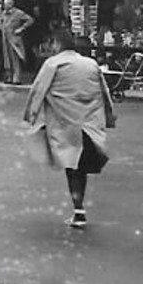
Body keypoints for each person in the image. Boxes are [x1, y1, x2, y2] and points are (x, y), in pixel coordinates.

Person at [24, 30, 116, 228]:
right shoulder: (90, 64)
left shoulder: (53, 64)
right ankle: (79, 210)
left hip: (65, 123)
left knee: (71, 166)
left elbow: (38, 90)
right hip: (89, 122)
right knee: (80, 166)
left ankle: (78, 209)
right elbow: (104, 92)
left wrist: (31, 115)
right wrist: (109, 117)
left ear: (57, 44)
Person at [0, 0, 37, 85]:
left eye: (6, 4)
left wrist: (21, 29)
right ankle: (9, 76)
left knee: (15, 58)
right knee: (7, 59)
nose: (5, 6)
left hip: (14, 39)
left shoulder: (18, 13)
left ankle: (17, 78)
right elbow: (1, 22)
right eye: (4, 4)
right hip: (5, 39)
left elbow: (30, 20)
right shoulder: (3, 14)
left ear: (11, 4)